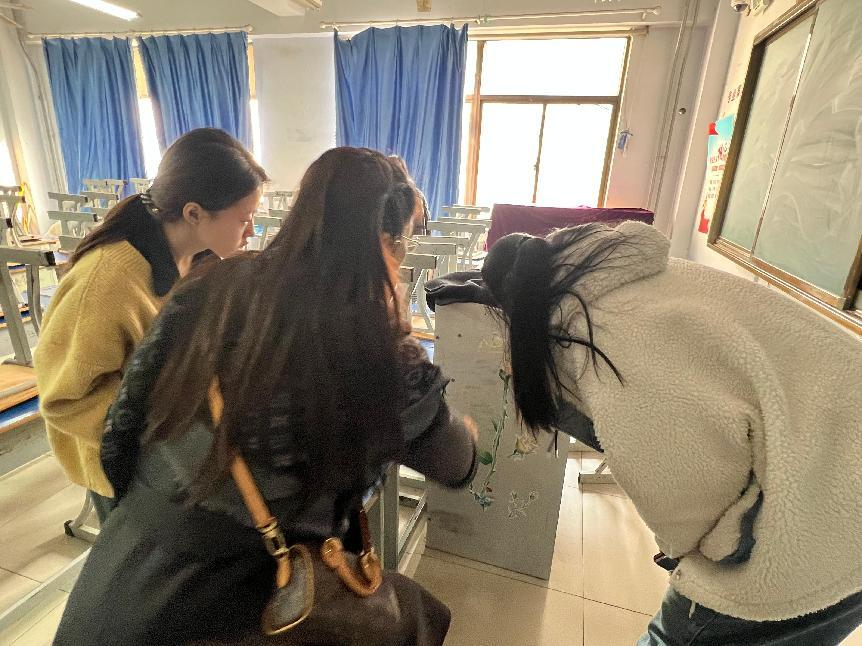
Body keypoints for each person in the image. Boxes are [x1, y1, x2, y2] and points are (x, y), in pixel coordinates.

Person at [53, 148, 477, 645]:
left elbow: (124, 425)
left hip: (127, 570)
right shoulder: (380, 348)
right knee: (416, 619)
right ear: (387, 241)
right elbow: (456, 465)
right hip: (237, 593)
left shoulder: (210, 285)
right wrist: (463, 428)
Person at [481, 221, 862, 645]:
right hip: (833, 449)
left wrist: (696, 550)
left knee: (686, 631)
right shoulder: (621, 273)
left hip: (834, 500)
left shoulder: (604, 342)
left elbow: (694, 487)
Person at [35, 128, 267, 522]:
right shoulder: (107, 280)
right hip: (132, 466)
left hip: (183, 445)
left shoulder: (200, 259)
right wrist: (163, 429)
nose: (251, 231)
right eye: (244, 219)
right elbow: (63, 397)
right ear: (194, 213)